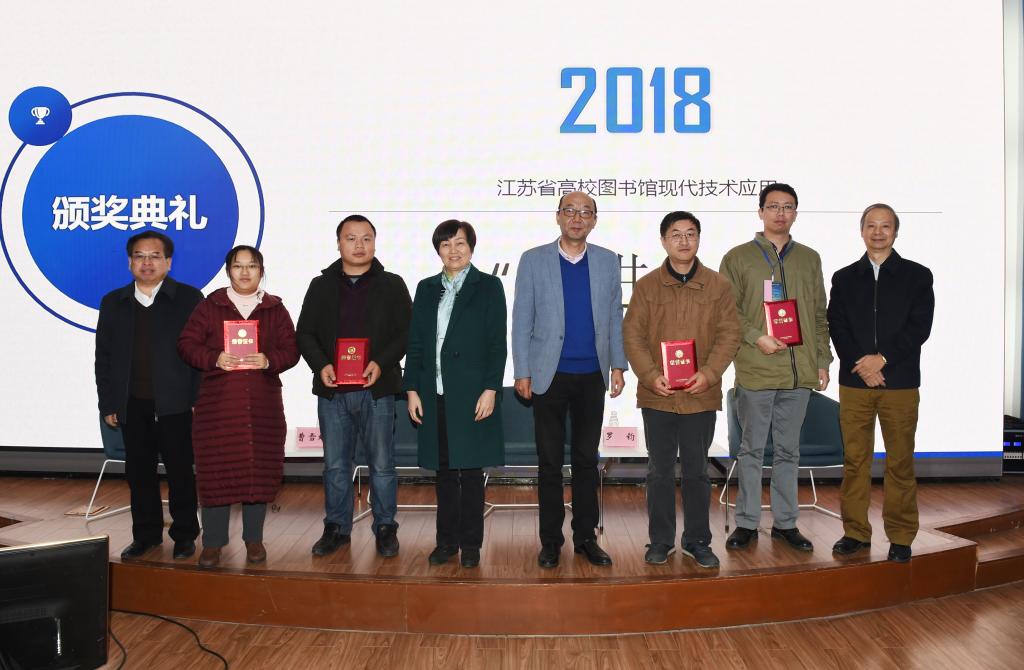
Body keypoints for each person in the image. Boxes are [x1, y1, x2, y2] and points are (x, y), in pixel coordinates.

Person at [511, 191, 628, 568]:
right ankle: (550, 541)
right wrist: (522, 370)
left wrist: (618, 365)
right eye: (570, 211)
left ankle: (585, 538)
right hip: (548, 375)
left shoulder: (607, 261)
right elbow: (521, 319)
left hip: (592, 374)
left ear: (594, 220)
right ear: (558, 216)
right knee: (549, 463)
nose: (577, 218)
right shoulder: (533, 260)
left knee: (585, 460)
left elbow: (614, 317)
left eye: (585, 212)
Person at [623, 211, 741, 568]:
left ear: (699, 239)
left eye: (691, 233)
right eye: (676, 234)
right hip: (657, 395)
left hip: (700, 395)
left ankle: (697, 541)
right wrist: (650, 375)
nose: (684, 241)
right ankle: (660, 541)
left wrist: (709, 374)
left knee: (697, 471)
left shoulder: (718, 285)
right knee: (659, 471)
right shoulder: (647, 286)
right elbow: (633, 335)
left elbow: (729, 335)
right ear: (663, 241)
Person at [719, 183, 833, 552]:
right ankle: (747, 523)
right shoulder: (738, 258)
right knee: (751, 450)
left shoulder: (809, 258)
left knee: (789, 451)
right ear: (760, 212)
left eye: (787, 207)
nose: (780, 213)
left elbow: (819, 314)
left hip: (798, 372)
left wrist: (822, 360)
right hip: (757, 368)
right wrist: (757, 337)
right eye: (773, 206)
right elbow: (727, 312)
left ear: (795, 213)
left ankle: (786, 523)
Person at [296, 215, 412, 558]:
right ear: (338, 244)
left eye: (366, 238)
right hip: (333, 391)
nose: (359, 245)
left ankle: (386, 526)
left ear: (375, 242)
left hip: (377, 389)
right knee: (335, 464)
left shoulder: (392, 284)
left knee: (382, 464)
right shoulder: (321, 285)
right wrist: (322, 365)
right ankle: (336, 527)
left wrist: (382, 362)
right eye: (351, 238)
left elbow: (406, 333)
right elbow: (305, 333)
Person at [177, 246, 300, 568]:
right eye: (238, 266)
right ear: (228, 271)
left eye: (252, 266)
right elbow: (186, 345)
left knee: (257, 471)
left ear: (262, 270)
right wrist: (214, 357)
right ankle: (213, 543)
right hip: (218, 405)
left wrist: (269, 360)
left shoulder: (275, 308)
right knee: (216, 472)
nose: (245, 272)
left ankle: (254, 540)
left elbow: (292, 349)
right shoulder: (210, 306)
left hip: (262, 406)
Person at [827, 204, 934, 563]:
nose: (878, 232)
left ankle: (901, 536)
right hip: (855, 383)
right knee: (855, 461)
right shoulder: (844, 278)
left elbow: (919, 328)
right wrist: (863, 366)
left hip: (899, 382)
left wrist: (883, 359)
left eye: (885, 226)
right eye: (871, 226)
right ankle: (855, 532)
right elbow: (836, 325)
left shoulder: (918, 275)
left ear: (895, 232)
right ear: (861, 231)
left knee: (900, 462)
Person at [403, 220, 507, 568]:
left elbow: (497, 344)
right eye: (446, 244)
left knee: (471, 473)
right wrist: (412, 388)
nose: (453, 250)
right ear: (438, 250)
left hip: (472, 393)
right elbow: (416, 343)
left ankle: (471, 544)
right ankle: (446, 541)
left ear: (471, 247)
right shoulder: (426, 288)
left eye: (460, 243)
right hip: (434, 392)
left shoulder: (488, 286)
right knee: (444, 471)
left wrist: (491, 388)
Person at [95, 231, 203, 560]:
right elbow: (103, 358)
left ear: (168, 262)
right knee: (139, 474)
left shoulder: (188, 298)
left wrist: (197, 399)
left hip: (176, 403)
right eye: (140, 256)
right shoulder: (113, 302)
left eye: (155, 256)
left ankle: (184, 535)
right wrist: (108, 403)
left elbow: (201, 353)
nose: (147, 262)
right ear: (129, 262)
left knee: (180, 471)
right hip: (132, 404)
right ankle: (145, 535)